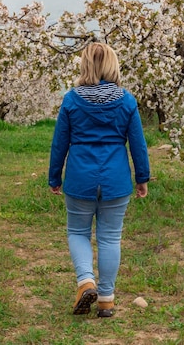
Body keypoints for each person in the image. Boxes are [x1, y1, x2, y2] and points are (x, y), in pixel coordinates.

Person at [48, 42, 150, 318]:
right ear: (112, 65)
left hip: (80, 177)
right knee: (110, 238)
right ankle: (105, 299)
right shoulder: (126, 100)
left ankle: (85, 281)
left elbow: (60, 143)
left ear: (85, 65)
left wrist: (54, 176)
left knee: (78, 232)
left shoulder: (71, 99)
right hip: (116, 179)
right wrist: (142, 177)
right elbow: (138, 144)